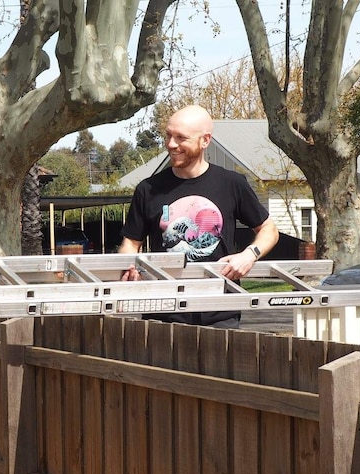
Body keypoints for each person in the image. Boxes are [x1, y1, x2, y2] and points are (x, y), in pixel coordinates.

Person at [119, 104, 279, 327]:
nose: (171, 144)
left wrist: (249, 255)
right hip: (163, 313)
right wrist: (130, 264)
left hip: (219, 313)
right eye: (168, 135)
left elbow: (268, 230)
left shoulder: (232, 184)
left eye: (181, 138)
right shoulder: (148, 189)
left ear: (205, 140)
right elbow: (131, 242)